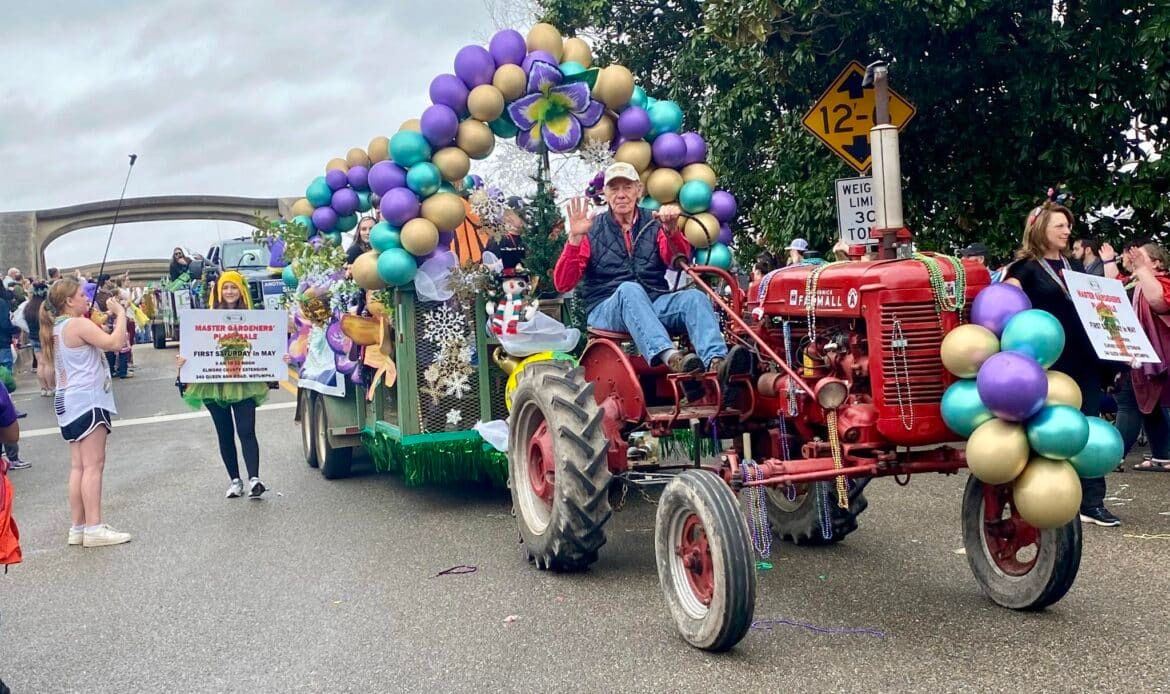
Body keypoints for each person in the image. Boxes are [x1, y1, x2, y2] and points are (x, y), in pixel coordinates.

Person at [553, 162, 750, 399]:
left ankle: (717, 364)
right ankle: (673, 359)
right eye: (614, 189)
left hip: (653, 301)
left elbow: (676, 260)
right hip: (606, 307)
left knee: (694, 298)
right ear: (605, 194)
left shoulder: (654, 221)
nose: (621, 194)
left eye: (627, 187)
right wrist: (574, 238)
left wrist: (670, 230)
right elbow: (563, 284)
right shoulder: (591, 229)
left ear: (639, 190)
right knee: (629, 289)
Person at [1004, 201, 1119, 527]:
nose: (1067, 231)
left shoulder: (1073, 267)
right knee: (1049, 430)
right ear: (1041, 229)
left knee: (1088, 425)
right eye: (1060, 226)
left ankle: (1092, 502)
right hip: (1048, 366)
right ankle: (1044, 497)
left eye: (1068, 226)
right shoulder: (1023, 270)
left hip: (1084, 360)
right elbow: (1007, 314)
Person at [39, 276, 131, 547]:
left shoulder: (57, 327)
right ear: (68, 301)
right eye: (80, 294)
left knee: (78, 466)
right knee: (93, 466)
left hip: (68, 401)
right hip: (88, 399)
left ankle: (78, 526)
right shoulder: (78, 324)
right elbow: (115, 343)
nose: (85, 298)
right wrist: (121, 313)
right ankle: (93, 526)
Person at [175, 271, 271, 499]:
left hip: (244, 381)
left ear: (241, 290)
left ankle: (254, 478)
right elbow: (193, 346)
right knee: (224, 433)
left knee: (247, 430)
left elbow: (267, 344)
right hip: (213, 383)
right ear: (218, 291)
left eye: (234, 287)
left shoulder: (254, 318)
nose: (229, 292)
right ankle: (235, 480)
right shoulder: (205, 319)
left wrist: (279, 359)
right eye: (225, 288)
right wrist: (183, 360)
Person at [1118, 243, 1170, 471]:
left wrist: (1140, 268)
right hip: (1139, 357)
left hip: (1162, 358)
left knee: (1153, 405)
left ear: (1158, 263)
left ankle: (1113, 455)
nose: (1135, 259)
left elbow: (1160, 302)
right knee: (1148, 406)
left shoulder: (1164, 282)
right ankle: (1161, 457)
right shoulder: (1134, 283)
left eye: (1143, 257)